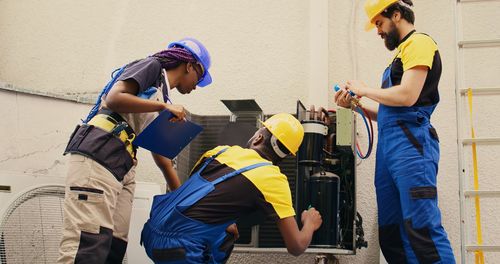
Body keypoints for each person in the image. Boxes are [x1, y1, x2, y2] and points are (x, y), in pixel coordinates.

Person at [58, 37, 213, 263]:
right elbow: (114, 98)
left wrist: (180, 201)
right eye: (200, 76)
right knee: (87, 245)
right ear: (190, 65)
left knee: (114, 245)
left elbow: (162, 159)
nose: (197, 85)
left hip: (122, 165)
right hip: (99, 154)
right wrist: (163, 107)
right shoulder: (152, 66)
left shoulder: (163, 95)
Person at [334, 1, 455, 263]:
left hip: (412, 146)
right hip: (390, 149)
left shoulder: (419, 43)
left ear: (397, 15)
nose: (378, 31)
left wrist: (364, 89)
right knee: (392, 234)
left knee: (421, 229)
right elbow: (390, 113)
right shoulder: (399, 56)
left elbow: (408, 95)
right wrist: (355, 106)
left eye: (379, 23)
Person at [141, 113, 323, 264]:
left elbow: (191, 195)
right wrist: (309, 223)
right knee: (224, 240)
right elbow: (296, 246)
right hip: (180, 250)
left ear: (259, 137)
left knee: (224, 233)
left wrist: (224, 221)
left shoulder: (219, 151)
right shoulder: (274, 179)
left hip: (151, 233)